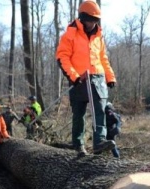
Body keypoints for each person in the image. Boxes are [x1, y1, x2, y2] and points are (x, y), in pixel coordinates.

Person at [56, 0, 117, 156]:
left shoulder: (99, 36)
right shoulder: (70, 35)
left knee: (100, 111)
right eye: (91, 20)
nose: (93, 23)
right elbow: (63, 57)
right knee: (78, 114)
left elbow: (103, 58)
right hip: (79, 80)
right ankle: (78, 144)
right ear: (83, 17)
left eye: (95, 20)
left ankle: (99, 142)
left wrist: (110, 76)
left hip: (98, 78)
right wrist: (74, 77)